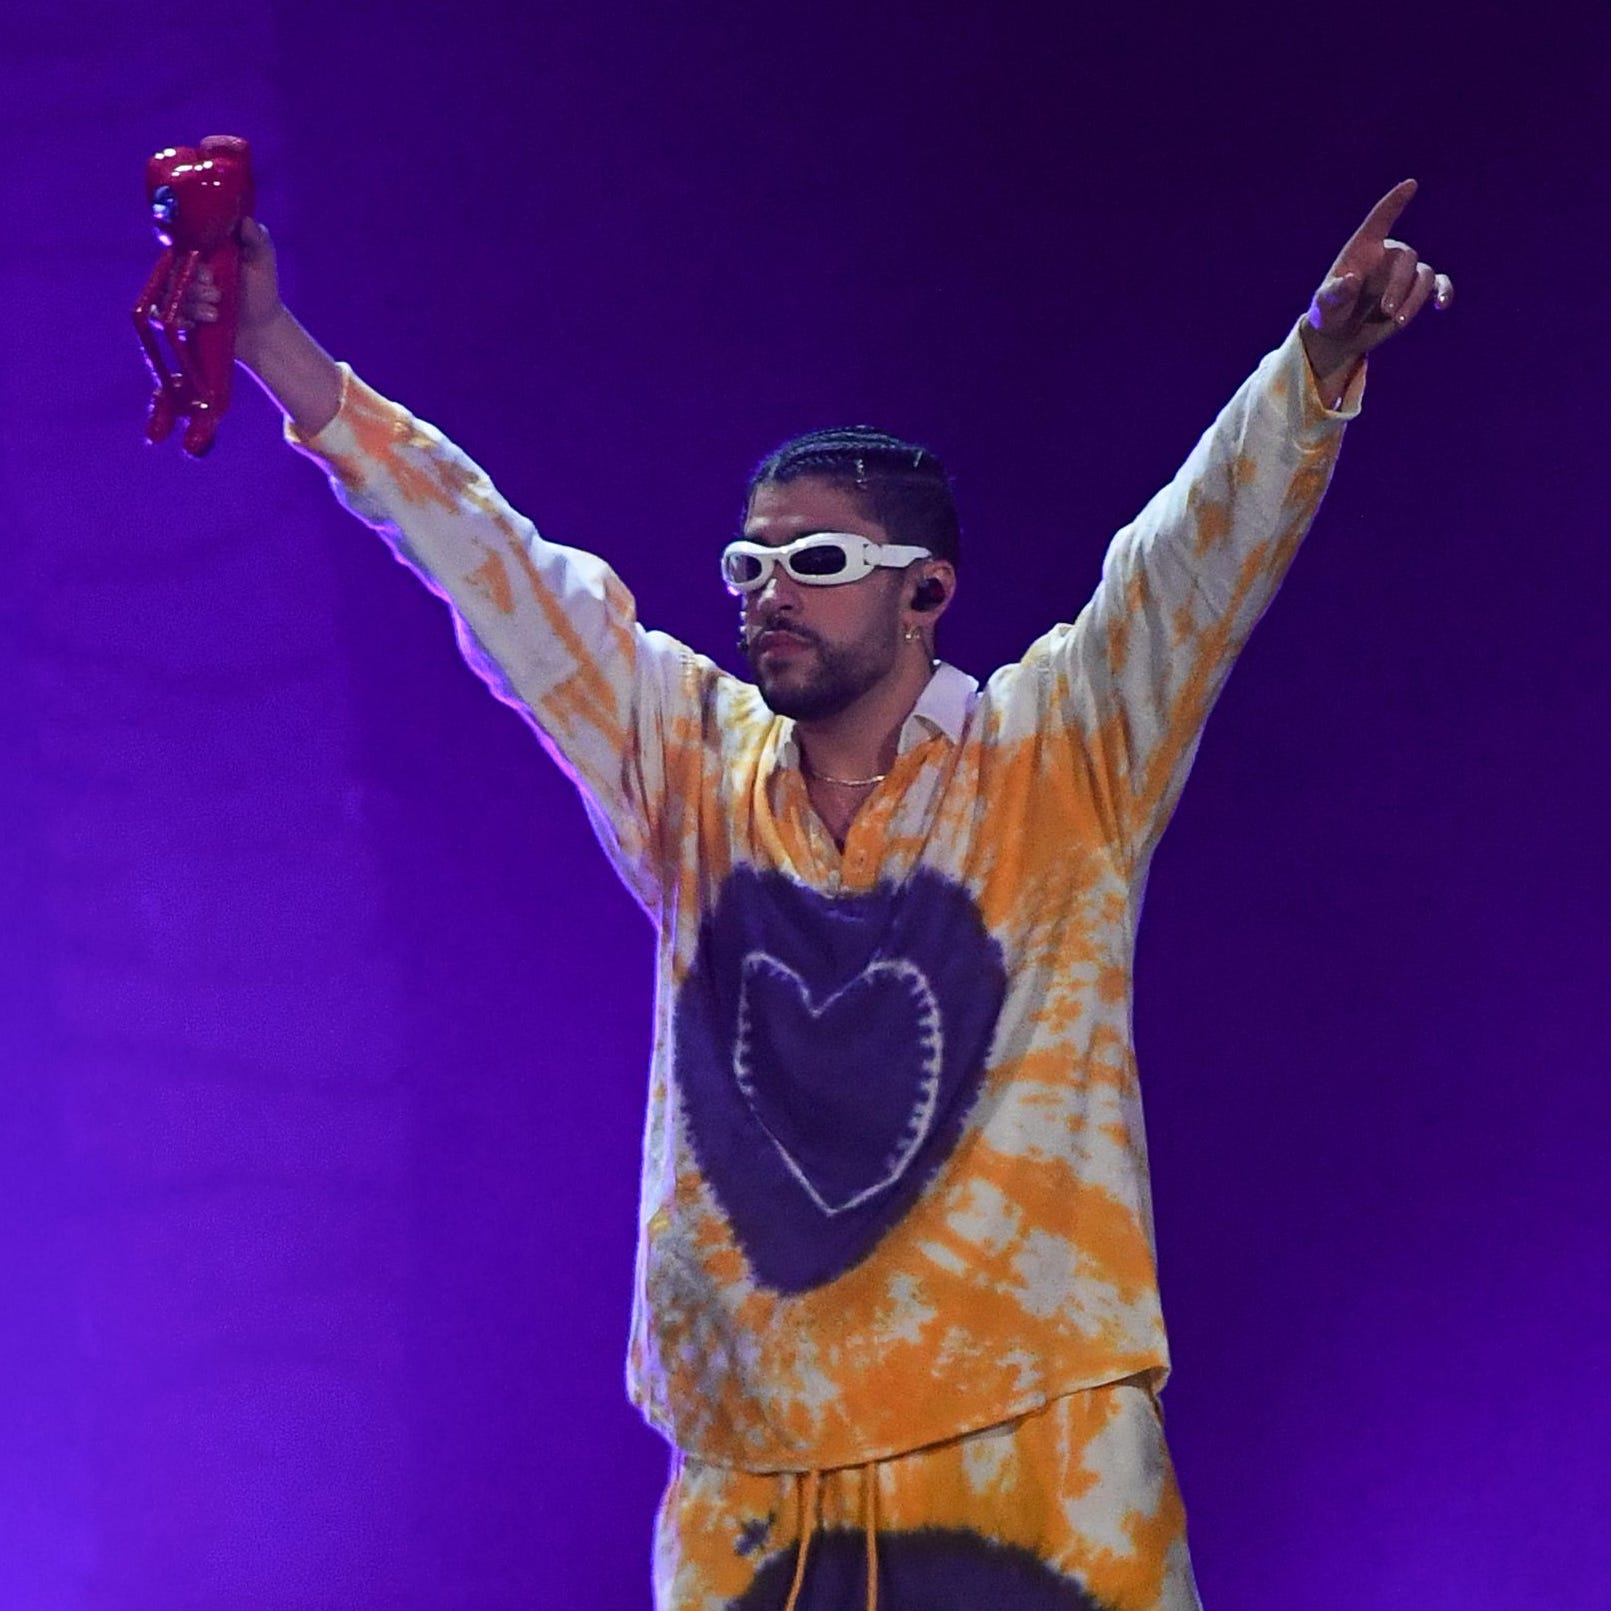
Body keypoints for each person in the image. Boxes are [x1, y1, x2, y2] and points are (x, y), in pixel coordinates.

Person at [188, 182, 1450, 1610]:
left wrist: (1317, 365)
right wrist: (280, 346)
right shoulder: (688, 767)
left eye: (817, 562)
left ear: (928, 593)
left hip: (1037, 1438)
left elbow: (1194, 561)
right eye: (750, 561)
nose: (766, 591)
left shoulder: (1062, 755)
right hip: (755, 1473)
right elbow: (499, 571)